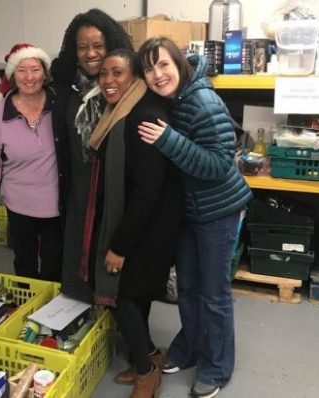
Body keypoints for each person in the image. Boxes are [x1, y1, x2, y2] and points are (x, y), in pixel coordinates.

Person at [137, 37, 253, 398]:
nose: (157, 75)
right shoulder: (174, 99)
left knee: (213, 293)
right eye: (149, 68)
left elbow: (220, 164)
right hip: (190, 209)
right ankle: (188, 347)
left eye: (163, 65)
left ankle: (217, 367)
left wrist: (168, 140)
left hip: (218, 209)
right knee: (187, 286)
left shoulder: (203, 101)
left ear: (179, 66)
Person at [93, 48, 182, 398]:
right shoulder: (121, 112)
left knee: (122, 296)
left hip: (151, 225)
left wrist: (119, 246)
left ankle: (148, 374)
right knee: (138, 294)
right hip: (147, 221)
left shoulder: (142, 115)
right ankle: (150, 355)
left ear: (133, 77)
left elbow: (147, 189)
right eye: (103, 74)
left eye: (117, 73)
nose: (108, 81)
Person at [51, 9, 132, 301]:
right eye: (83, 46)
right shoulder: (66, 89)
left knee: (111, 252)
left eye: (98, 45)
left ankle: (114, 312)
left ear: (111, 46)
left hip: (113, 190)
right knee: (77, 253)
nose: (91, 53)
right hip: (79, 188)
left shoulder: (124, 88)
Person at [0, 43, 62, 282]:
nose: (29, 77)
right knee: (24, 263)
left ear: (45, 73)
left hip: (58, 205)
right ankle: (29, 309)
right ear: (13, 75)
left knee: (55, 264)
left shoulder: (61, 105)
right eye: (22, 71)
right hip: (18, 205)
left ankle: (52, 312)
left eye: (35, 69)